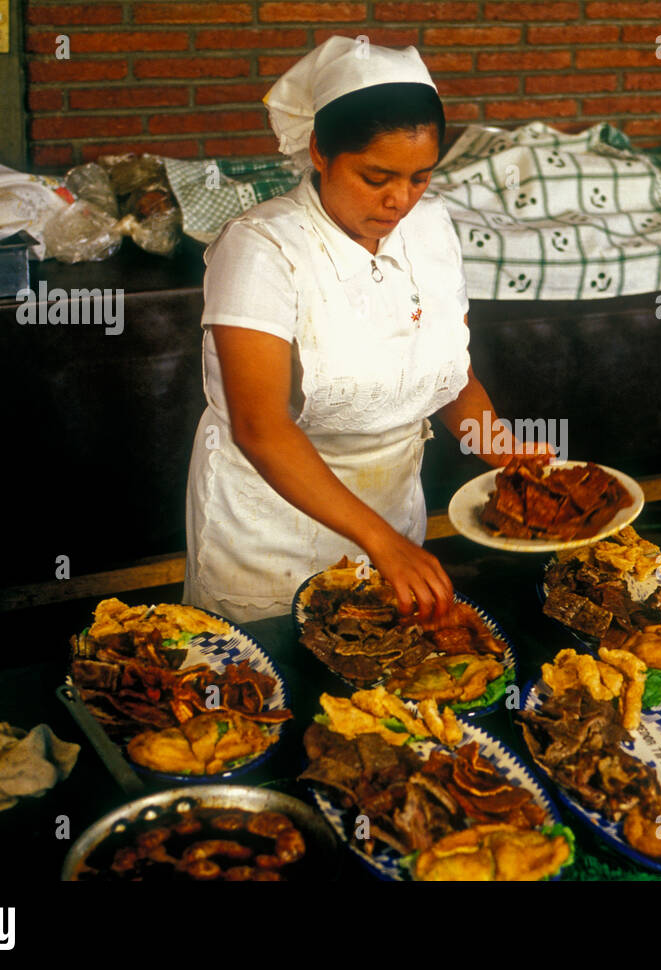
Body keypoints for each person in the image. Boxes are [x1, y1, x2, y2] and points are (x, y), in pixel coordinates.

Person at [184, 37, 537, 624]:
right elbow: (259, 425)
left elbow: (451, 367)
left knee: (383, 691)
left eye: (421, 177)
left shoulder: (430, 227)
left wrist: (501, 450)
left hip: (393, 517)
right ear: (321, 152)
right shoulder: (263, 247)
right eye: (376, 177)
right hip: (271, 534)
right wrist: (380, 541)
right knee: (279, 692)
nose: (399, 201)